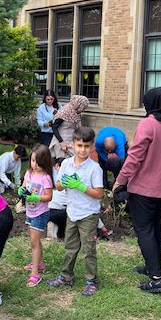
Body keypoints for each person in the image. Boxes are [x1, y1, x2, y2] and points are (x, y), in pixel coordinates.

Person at [113, 87, 161, 294]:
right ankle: (153, 267)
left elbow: (134, 158)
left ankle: (157, 278)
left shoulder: (148, 124)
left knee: (144, 230)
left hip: (144, 189)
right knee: (154, 228)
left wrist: (120, 181)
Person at [47, 126, 103, 297]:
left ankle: (91, 281)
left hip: (88, 214)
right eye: (79, 146)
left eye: (86, 146)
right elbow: (57, 186)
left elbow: (99, 194)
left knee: (88, 249)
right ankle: (66, 277)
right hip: (71, 212)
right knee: (70, 247)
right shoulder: (66, 164)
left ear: (92, 146)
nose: (83, 150)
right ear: (72, 145)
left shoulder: (95, 168)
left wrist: (81, 186)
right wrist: (65, 183)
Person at [17, 144, 53, 287]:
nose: (35, 164)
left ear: (44, 162)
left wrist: (36, 198)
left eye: (38, 162)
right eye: (32, 160)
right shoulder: (29, 173)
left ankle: (35, 273)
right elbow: (24, 186)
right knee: (34, 241)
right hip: (30, 211)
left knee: (34, 242)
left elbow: (49, 196)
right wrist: (21, 190)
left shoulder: (46, 178)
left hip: (40, 213)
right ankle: (40, 263)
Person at [48, 95, 90, 159]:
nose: (83, 110)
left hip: (71, 141)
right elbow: (54, 127)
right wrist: (61, 142)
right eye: (83, 108)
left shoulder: (76, 113)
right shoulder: (65, 112)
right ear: (78, 105)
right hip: (61, 141)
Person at [95, 126, 128, 190]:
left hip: (120, 135)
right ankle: (104, 185)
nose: (110, 152)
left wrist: (115, 168)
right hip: (104, 135)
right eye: (108, 151)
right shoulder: (98, 142)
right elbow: (100, 152)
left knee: (123, 165)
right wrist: (106, 161)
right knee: (102, 166)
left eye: (112, 150)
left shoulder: (120, 144)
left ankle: (119, 185)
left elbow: (122, 161)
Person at [47, 158, 67, 240]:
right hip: (52, 211)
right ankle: (58, 234)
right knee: (70, 212)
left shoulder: (61, 180)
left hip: (46, 210)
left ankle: (59, 234)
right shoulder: (64, 180)